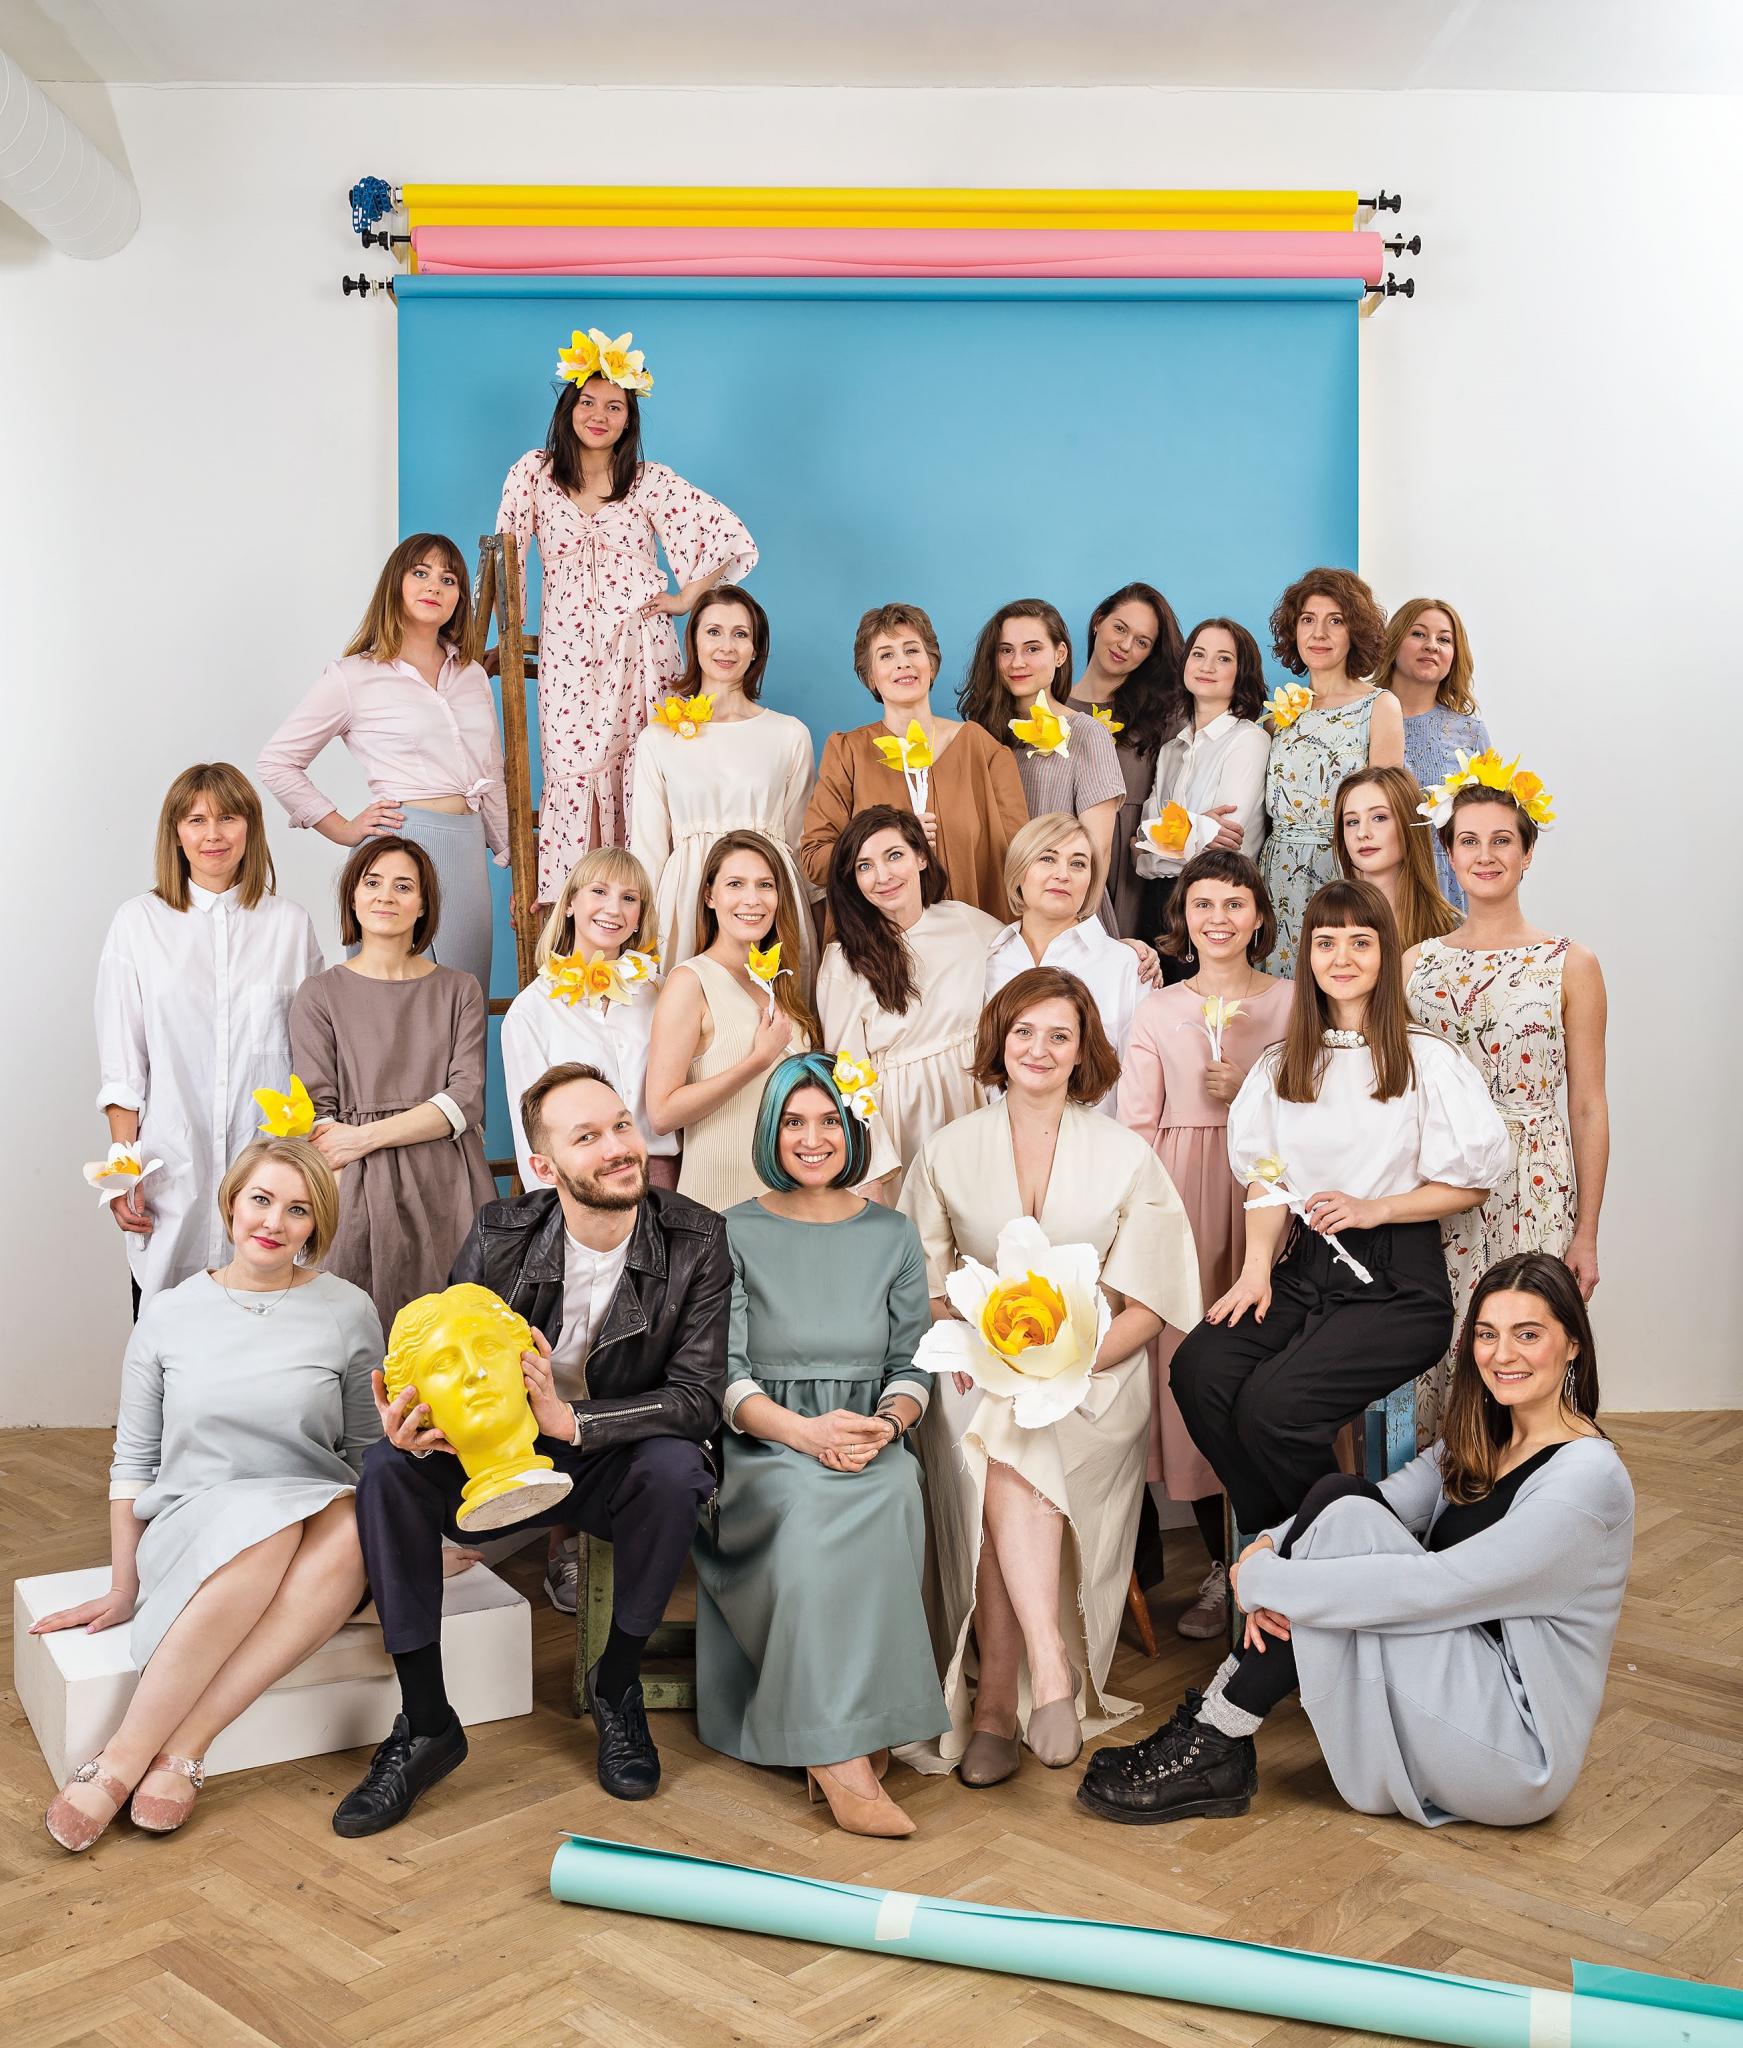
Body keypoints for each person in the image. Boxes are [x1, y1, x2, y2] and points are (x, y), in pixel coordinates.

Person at [1081, 1253, 1633, 1831]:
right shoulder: (1482, 1439)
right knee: (1343, 1498)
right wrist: (1265, 1546)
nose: (1502, 1355)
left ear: (1573, 1343)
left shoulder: (1586, 1481)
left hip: (1510, 1749)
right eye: (1488, 1334)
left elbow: (1441, 1588)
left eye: (1528, 1335)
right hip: (1448, 1689)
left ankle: (1216, 1737)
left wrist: (1272, 1582)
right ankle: (1218, 1734)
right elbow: (1375, 1503)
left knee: (1345, 1539)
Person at [333, 1062, 728, 1831]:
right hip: (499, 1450)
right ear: (544, 1167)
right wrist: (416, 1425)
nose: (618, 1148)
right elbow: (448, 1358)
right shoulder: (500, 1232)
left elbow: (696, 1397)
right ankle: (426, 1722)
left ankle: (616, 1683)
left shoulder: (697, 1238)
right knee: (387, 1467)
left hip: (612, 1452)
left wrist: (570, 1421)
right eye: (588, 1137)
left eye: (621, 1126)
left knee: (677, 1468)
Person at [899, 969, 1201, 1783]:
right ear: (999, 1041)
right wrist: (998, 1362)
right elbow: (922, 1285)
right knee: (998, 1432)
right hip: (975, 1369)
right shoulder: (947, 1148)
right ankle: (1042, 1673)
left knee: (1009, 1440)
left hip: (1097, 1378)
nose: (1038, 1048)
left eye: (1058, 1035)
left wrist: (1060, 1370)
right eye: (1023, 1031)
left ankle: (997, 1701)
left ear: (1081, 1051)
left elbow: (1149, 1305)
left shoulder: (1124, 1153)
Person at [40, 1138, 381, 1851]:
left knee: (348, 1522)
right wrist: (124, 1586)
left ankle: (182, 1746)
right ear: (231, 1204)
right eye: (261, 1199)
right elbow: (133, 1460)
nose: (274, 1222)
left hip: (313, 1518)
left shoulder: (348, 1310)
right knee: (267, 1529)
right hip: (196, 1517)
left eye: (298, 1210)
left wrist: (410, 1546)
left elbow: (365, 1453)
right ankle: (130, 1754)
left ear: (316, 1225)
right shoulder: (168, 1313)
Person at [1170, 879, 1509, 1535]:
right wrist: (1255, 1271)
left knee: (1273, 1409)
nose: (1342, 957)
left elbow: (1472, 1185)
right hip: (1302, 1269)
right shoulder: (1281, 1065)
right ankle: (1290, 1538)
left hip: (1396, 1284)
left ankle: (1337, 1545)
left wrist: (1373, 1209)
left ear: (1384, 953)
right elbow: (1266, 1182)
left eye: (1361, 941)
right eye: (1326, 942)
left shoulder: (1425, 1059)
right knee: (1199, 1371)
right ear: (1308, 956)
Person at [694, 1055, 949, 1837]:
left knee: (896, 1489)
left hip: (868, 1438)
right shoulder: (731, 1231)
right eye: (795, 1121)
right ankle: (839, 1758)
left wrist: (889, 1424)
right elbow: (724, 1373)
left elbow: (913, 1363)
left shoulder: (892, 1233)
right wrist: (803, 1433)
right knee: (806, 1509)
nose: (813, 1138)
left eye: (830, 1120)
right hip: (767, 1445)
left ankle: (855, 1726)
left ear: (853, 1128)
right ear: (771, 1132)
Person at [497, 326, 758, 896]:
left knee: (646, 768)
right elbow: (507, 559)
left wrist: (687, 597)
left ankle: (651, 911)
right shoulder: (534, 474)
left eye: (614, 406)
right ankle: (577, 917)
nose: (599, 416)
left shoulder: (649, 481)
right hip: (568, 652)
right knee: (572, 772)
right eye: (588, 402)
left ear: (628, 418)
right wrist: (510, 634)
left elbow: (727, 535)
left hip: (642, 649)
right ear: (568, 408)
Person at [1117, 852, 1293, 1640]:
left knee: (1271, 1370)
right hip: (1183, 1201)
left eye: (1233, 903)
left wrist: (1248, 1087)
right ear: (1181, 918)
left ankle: (1285, 1555)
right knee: (1193, 1373)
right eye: (1202, 905)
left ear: (1258, 916)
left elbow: (1316, 1103)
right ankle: (1224, 1567)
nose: (1217, 919)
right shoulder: (1157, 1010)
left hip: (1270, 1195)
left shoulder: (1291, 1002)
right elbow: (1136, 1126)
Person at [1407, 771, 1608, 1422]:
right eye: (1468, 841)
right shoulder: (1416, 965)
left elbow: (1587, 1105)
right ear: (1448, 853)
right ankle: (1447, 1476)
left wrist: (1586, 1234)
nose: (1485, 855)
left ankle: (1531, 1475)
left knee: (1528, 1335)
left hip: (1533, 1182)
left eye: (1501, 840)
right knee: (1445, 1341)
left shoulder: (1569, 962)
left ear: (1527, 852)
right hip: (1440, 1180)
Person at [95, 763, 323, 1317]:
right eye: (196, 820)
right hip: (171, 1175)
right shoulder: (138, 923)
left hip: (267, 1183)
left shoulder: (290, 926)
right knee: (165, 1334)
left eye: (228, 818)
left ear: (251, 828)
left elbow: (314, 1058)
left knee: (269, 1336)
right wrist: (124, 1175)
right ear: (176, 833)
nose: (213, 834)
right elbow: (124, 1068)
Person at [257, 533, 508, 998]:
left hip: (468, 855)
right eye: (421, 573)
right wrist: (342, 829)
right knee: (393, 1005)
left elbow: (490, 772)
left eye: (448, 579)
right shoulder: (354, 676)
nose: (434, 586)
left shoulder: (472, 675)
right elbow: (278, 761)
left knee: (465, 1006)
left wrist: (516, 865)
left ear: (459, 597)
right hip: (400, 848)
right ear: (396, 584)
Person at [289, 836, 494, 1332]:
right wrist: (348, 1151)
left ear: (422, 904)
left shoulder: (459, 989)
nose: (386, 896)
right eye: (372, 882)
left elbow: (465, 1099)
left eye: (403, 886)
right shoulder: (319, 994)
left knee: (459, 1331)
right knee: (359, 1334)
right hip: (358, 1186)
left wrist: (364, 1137)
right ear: (353, 897)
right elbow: (318, 1112)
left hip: (450, 1178)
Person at [629, 585, 818, 977]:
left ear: (755, 649)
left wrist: (819, 923)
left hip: (769, 899)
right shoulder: (659, 739)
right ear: (694, 642)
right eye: (713, 631)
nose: (726, 646)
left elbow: (801, 843)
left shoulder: (789, 734)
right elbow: (648, 851)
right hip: (687, 899)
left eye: (740, 634)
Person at [801, 601, 1028, 926]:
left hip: (973, 941)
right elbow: (815, 860)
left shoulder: (983, 750)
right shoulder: (848, 753)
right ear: (870, 677)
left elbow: (1021, 857)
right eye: (886, 655)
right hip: (878, 942)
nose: (902, 663)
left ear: (931, 664)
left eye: (912, 650)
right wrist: (890, 842)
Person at [816, 807, 1003, 1194]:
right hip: (900, 1117)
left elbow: (1032, 958)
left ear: (921, 857)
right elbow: (849, 1075)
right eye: (865, 866)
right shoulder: (843, 961)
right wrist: (872, 1169)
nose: (882, 876)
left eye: (894, 856)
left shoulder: (966, 922)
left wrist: (1123, 947)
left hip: (973, 1098)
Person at [646, 828, 819, 1214]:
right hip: (721, 1203)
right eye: (735, 884)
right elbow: (662, 1113)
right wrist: (756, 1061)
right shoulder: (690, 981)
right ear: (710, 896)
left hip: (790, 1200)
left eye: (765, 885)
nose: (752, 899)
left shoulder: (780, 983)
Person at [502, 847, 676, 1196]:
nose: (613, 909)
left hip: (665, 1178)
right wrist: (553, 1208)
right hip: (583, 1185)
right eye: (599, 891)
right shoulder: (530, 1011)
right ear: (569, 903)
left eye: (629, 898)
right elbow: (530, 1132)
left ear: (639, 916)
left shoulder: (663, 994)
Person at [1258, 569, 1403, 975]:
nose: (1319, 633)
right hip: (1277, 875)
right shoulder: (1279, 714)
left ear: (1354, 630)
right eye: (1308, 619)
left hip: (1345, 868)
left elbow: (1387, 809)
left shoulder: (1379, 706)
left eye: (1335, 620)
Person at [958, 598, 1126, 931]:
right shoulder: (979, 737)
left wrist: (1071, 926)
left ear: (1060, 654)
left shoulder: (1086, 733)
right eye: (1006, 650)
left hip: (1066, 913)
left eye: (1032, 649)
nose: (1017, 662)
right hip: (993, 910)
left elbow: (1098, 849)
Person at [1133, 618, 1271, 971]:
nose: (1207, 666)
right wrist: (1195, 828)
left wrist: (1161, 836)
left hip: (1214, 902)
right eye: (1198, 654)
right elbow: (1142, 842)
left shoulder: (1249, 740)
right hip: (1157, 901)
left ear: (1242, 672)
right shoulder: (1171, 750)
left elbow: (1225, 842)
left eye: (1224, 658)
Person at [984, 813, 1143, 1101]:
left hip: (1095, 1128)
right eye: (1047, 858)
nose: (1063, 874)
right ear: (1019, 869)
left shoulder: (1127, 965)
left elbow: (1141, 1079)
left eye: (1078, 863)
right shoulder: (986, 960)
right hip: (995, 1128)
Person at [1067, 582, 1186, 939]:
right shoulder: (1050, 709)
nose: (1125, 645)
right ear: (1098, 622)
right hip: (1063, 858)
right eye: (1120, 628)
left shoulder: (1163, 716)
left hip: (1132, 870)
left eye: (1142, 642)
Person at [1376, 597, 1490, 910]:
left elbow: (1487, 818)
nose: (1431, 646)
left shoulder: (1470, 732)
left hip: (1446, 886)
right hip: (1373, 878)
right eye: (1418, 634)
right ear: (1393, 642)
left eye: (1444, 639)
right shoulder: (1360, 716)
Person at [1332, 765, 1459, 950]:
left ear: (1409, 823)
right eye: (1352, 822)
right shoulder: (1327, 920)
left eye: (1379, 818)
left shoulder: (1452, 930)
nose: (1361, 833)